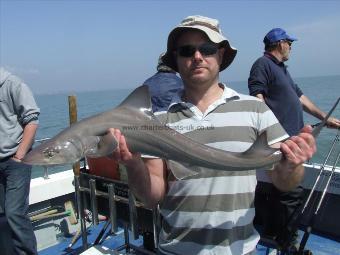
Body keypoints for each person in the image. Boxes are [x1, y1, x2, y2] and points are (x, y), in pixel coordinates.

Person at [108, 16, 316, 255]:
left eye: (207, 49)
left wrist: (292, 166)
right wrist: (133, 164)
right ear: (176, 59)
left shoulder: (256, 110)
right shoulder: (159, 122)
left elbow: (284, 181)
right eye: (187, 51)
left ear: (221, 54)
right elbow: (151, 198)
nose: (197, 57)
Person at [248, 28, 340, 250]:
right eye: (290, 43)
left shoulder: (282, 70)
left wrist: (325, 118)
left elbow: (300, 98)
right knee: (290, 193)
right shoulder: (263, 64)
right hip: (279, 142)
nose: (291, 47)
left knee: (282, 193)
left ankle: (273, 235)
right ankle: (285, 241)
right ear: (280, 43)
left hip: (292, 142)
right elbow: (256, 97)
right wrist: (269, 131)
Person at [0, 67, 40, 255]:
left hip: (15, 161)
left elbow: (32, 121)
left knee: (14, 213)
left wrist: (20, 156)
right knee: (2, 216)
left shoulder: (13, 84)